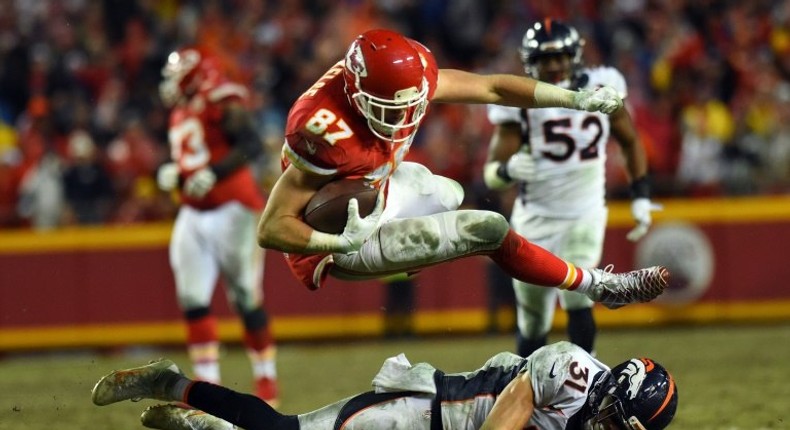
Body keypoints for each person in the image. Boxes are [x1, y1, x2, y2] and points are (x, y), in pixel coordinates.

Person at [255, 28, 668, 309]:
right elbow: (271, 228)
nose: (403, 118)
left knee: (444, 191)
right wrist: (336, 244)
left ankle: (406, 260)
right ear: (356, 93)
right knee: (488, 228)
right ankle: (602, 286)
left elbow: (492, 87)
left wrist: (574, 99)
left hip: (376, 193)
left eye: (410, 105)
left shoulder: (409, 75)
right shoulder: (323, 127)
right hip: (339, 234)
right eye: (388, 109)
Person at [482, 19, 663, 358]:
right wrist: (507, 170)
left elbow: (629, 140)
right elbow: (490, 174)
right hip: (535, 219)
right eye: (545, 59)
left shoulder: (603, 84)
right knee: (533, 319)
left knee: (579, 297)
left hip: (585, 213)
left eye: (560, 57)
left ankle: (585, 389)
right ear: (530, 61)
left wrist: (641, 194)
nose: (553, 66)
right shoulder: (519, 98)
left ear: (575, 55)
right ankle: (526, 392)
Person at [91, 340, 678, 430]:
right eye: (610, 418)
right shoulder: (571, 366)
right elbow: (510, 406)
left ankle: (197, 426)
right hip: (422, 413)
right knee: (284, 429)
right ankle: (168, 382)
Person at [155, 47, 279, 405]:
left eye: (174, 76)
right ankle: (207, 389)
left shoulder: (220, 98)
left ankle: (266, 378)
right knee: (192, 300)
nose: (168, 84)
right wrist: (177, 174)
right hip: (192, 212)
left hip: (235, 208)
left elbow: (250, 146)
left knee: (244, 297)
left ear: (192, 76)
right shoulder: (180, 111)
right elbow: (196, 157)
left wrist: (214, 172)